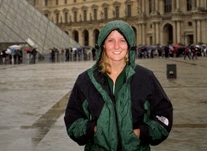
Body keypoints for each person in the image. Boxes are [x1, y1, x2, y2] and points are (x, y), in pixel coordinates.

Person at [64, 20, 173, 150]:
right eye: (110, 40)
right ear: (103, 44)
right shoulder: (85, 80)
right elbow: (73, 119)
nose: (117, 46)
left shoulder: (145, 77)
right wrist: (93, 129)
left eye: (122, 40)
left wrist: (141, 132)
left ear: (129, 44)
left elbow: (163, 114)